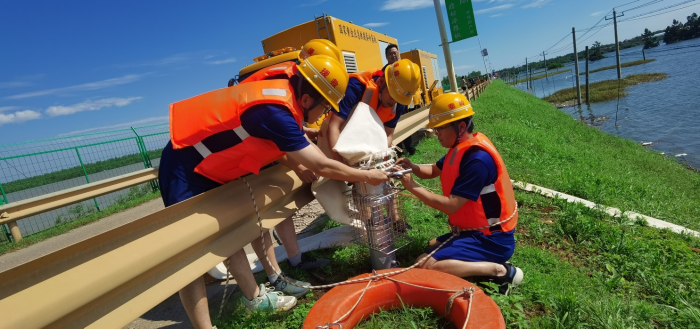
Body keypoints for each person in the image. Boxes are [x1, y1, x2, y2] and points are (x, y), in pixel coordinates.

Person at [160, 40, 389, 328]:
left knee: (232, 232)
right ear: (307, 100)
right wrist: (367, 176)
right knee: (191, 257)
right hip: (186, 165)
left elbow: (276, 136)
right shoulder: (275, 111)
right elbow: (320, 164)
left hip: (213, 164)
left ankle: (255, 298)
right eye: (323, 108)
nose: (323, 116)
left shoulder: (290, 83)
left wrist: (303, 130)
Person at [394, 92, 523, 295]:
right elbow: (434, 170)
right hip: (474, 230)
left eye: (440, 128)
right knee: (431, 245)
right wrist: (413, 167)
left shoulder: (477, 161)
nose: (436, 133)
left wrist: (412, 186)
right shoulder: (460, 148)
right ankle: (484, 261)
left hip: (492, 239)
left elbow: (450, 205)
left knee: (422, 264)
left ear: (460, 127)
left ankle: (500, 270)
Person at [320, 58, 421, 162]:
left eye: (399, 99)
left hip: (365, 144)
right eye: (393, 96)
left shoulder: (398, 101)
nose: (395, 101)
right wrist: (342, 167)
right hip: (334, 141)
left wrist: (383, 160)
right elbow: (334, 126)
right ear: (382, 82)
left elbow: (388, 134)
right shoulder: (356, 87)